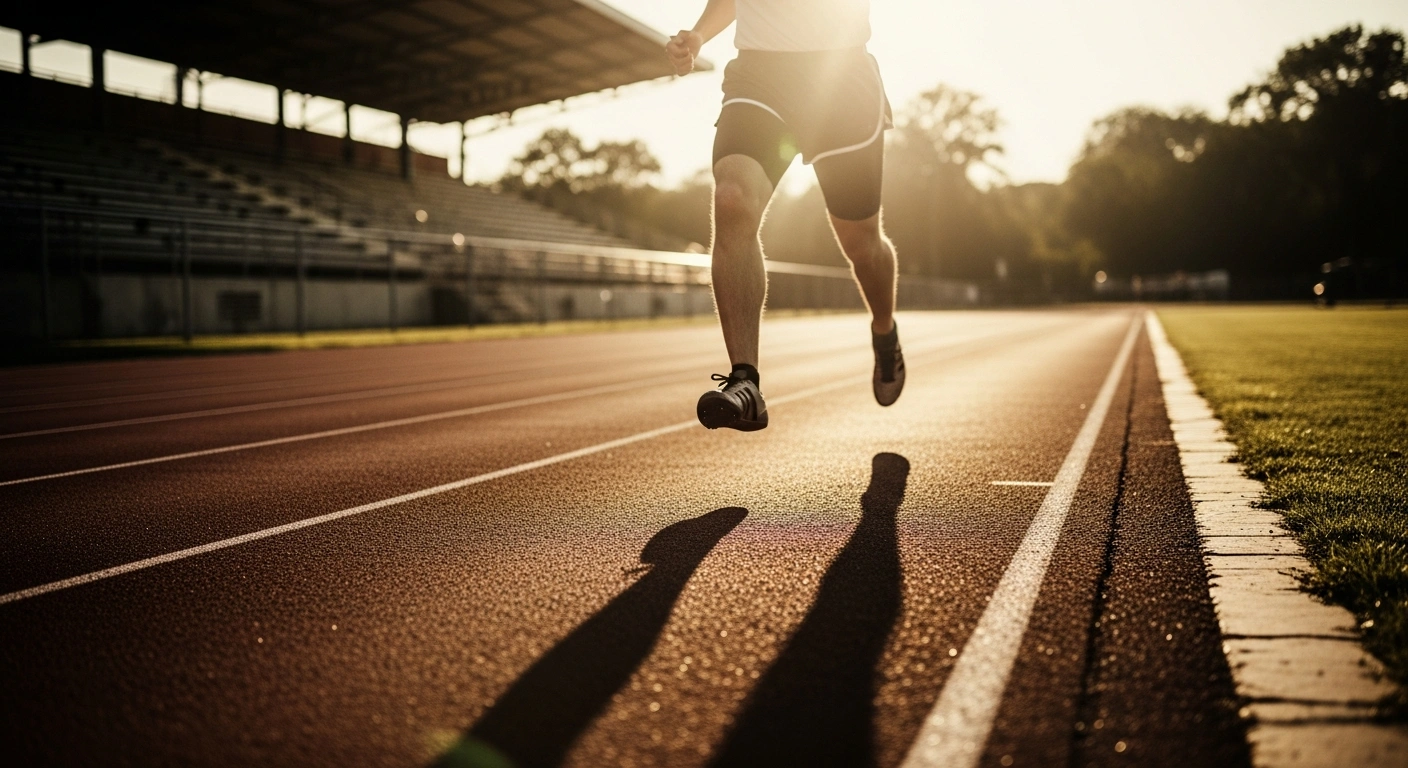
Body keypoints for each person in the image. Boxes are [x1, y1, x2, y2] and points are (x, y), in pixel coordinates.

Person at [668, 0, 905, 433]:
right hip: (759, 77)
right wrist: (700, 34)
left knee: (862, 245)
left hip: (840, 78)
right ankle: (746, 383)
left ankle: (884, 328)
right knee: (733, 197)